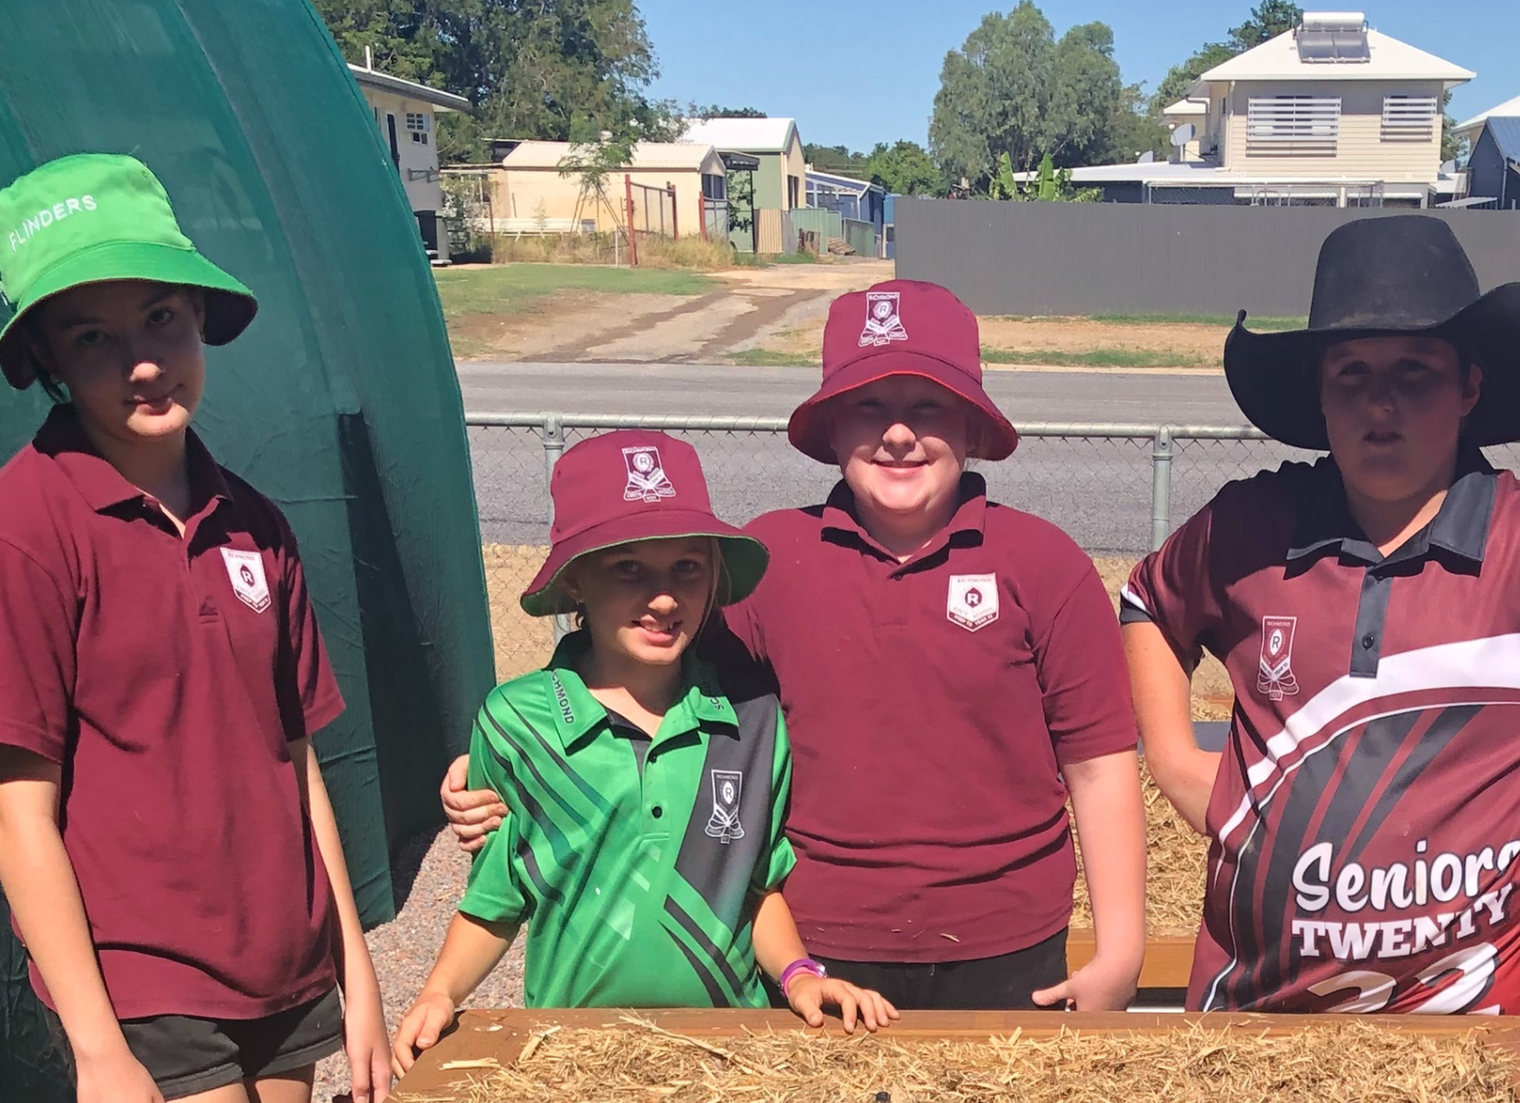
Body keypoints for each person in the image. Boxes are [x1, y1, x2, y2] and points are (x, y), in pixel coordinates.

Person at [0, 153, 394, 1103]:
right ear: (43, 357)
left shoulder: (255, 523)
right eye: (92, 337)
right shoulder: (23, 530)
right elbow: (15, 813)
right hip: (150, 979)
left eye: (161, 317)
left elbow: (296, 760)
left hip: (285, 964)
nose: (142, 358)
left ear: (201, 317)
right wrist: (98, 1049)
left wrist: (356, 980)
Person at [1118, 214, 1520, 1015]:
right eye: (1351, 372)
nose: (1381, 401)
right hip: (1249, 1012)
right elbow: (1147, 602)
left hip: (1460, 1035)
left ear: (1469, 386)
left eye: (1416, 370)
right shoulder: (1251, 525)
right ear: (1318, 393)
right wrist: (1176, 763)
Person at [446, 282, 1140, 1009]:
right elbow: (646, 672)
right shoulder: (774, 558)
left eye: (927, 406)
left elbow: (1097, 765)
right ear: (832, 428)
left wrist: (1121, 949)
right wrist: (511, 752)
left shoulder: (1044, 562)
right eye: (869, 407)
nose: (898, 434)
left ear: (972, 426)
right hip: (813, 941)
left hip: (1007, 938)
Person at [397, 435, 894, 1046]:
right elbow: (497, 896)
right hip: (573, 1046)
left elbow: (756, 883)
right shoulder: (515, 721)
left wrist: (797, 974)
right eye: (627, 568)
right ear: (575, 581)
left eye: (687, 566)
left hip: (730, 1049)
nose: (663, 597)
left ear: (714, 575)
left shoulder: (754, 719)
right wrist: (438, 992)